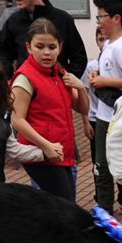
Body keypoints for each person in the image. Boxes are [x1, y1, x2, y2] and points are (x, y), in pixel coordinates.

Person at [11, 19, 89, 200]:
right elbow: (17, 119)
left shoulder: (60, 73)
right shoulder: (25, 77)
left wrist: (81, 88)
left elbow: (81, 108)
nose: (46, 52)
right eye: (40, 46)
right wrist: (46, 146)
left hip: (62, 152)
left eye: (52, 47)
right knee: (64, 204)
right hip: (41, 155)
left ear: (60, 48)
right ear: (29, 47)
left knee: (62, 205)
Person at [88, 0, 122, 212]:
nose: (99, 21)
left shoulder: (121, 46)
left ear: (116, 18)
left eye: (101, 16)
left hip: (115, 120)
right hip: (103, 116)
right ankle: (104, 213)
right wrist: (97, 78)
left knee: (110, 169)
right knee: (101, 169)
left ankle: (107, 215)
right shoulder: (110, 44)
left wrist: (103, 80)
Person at [0, 0, 87, 77]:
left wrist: (64, 82)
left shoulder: (63, 19)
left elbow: (79, 58)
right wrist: (9, 79)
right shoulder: (13, 21)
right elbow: (2, 52)